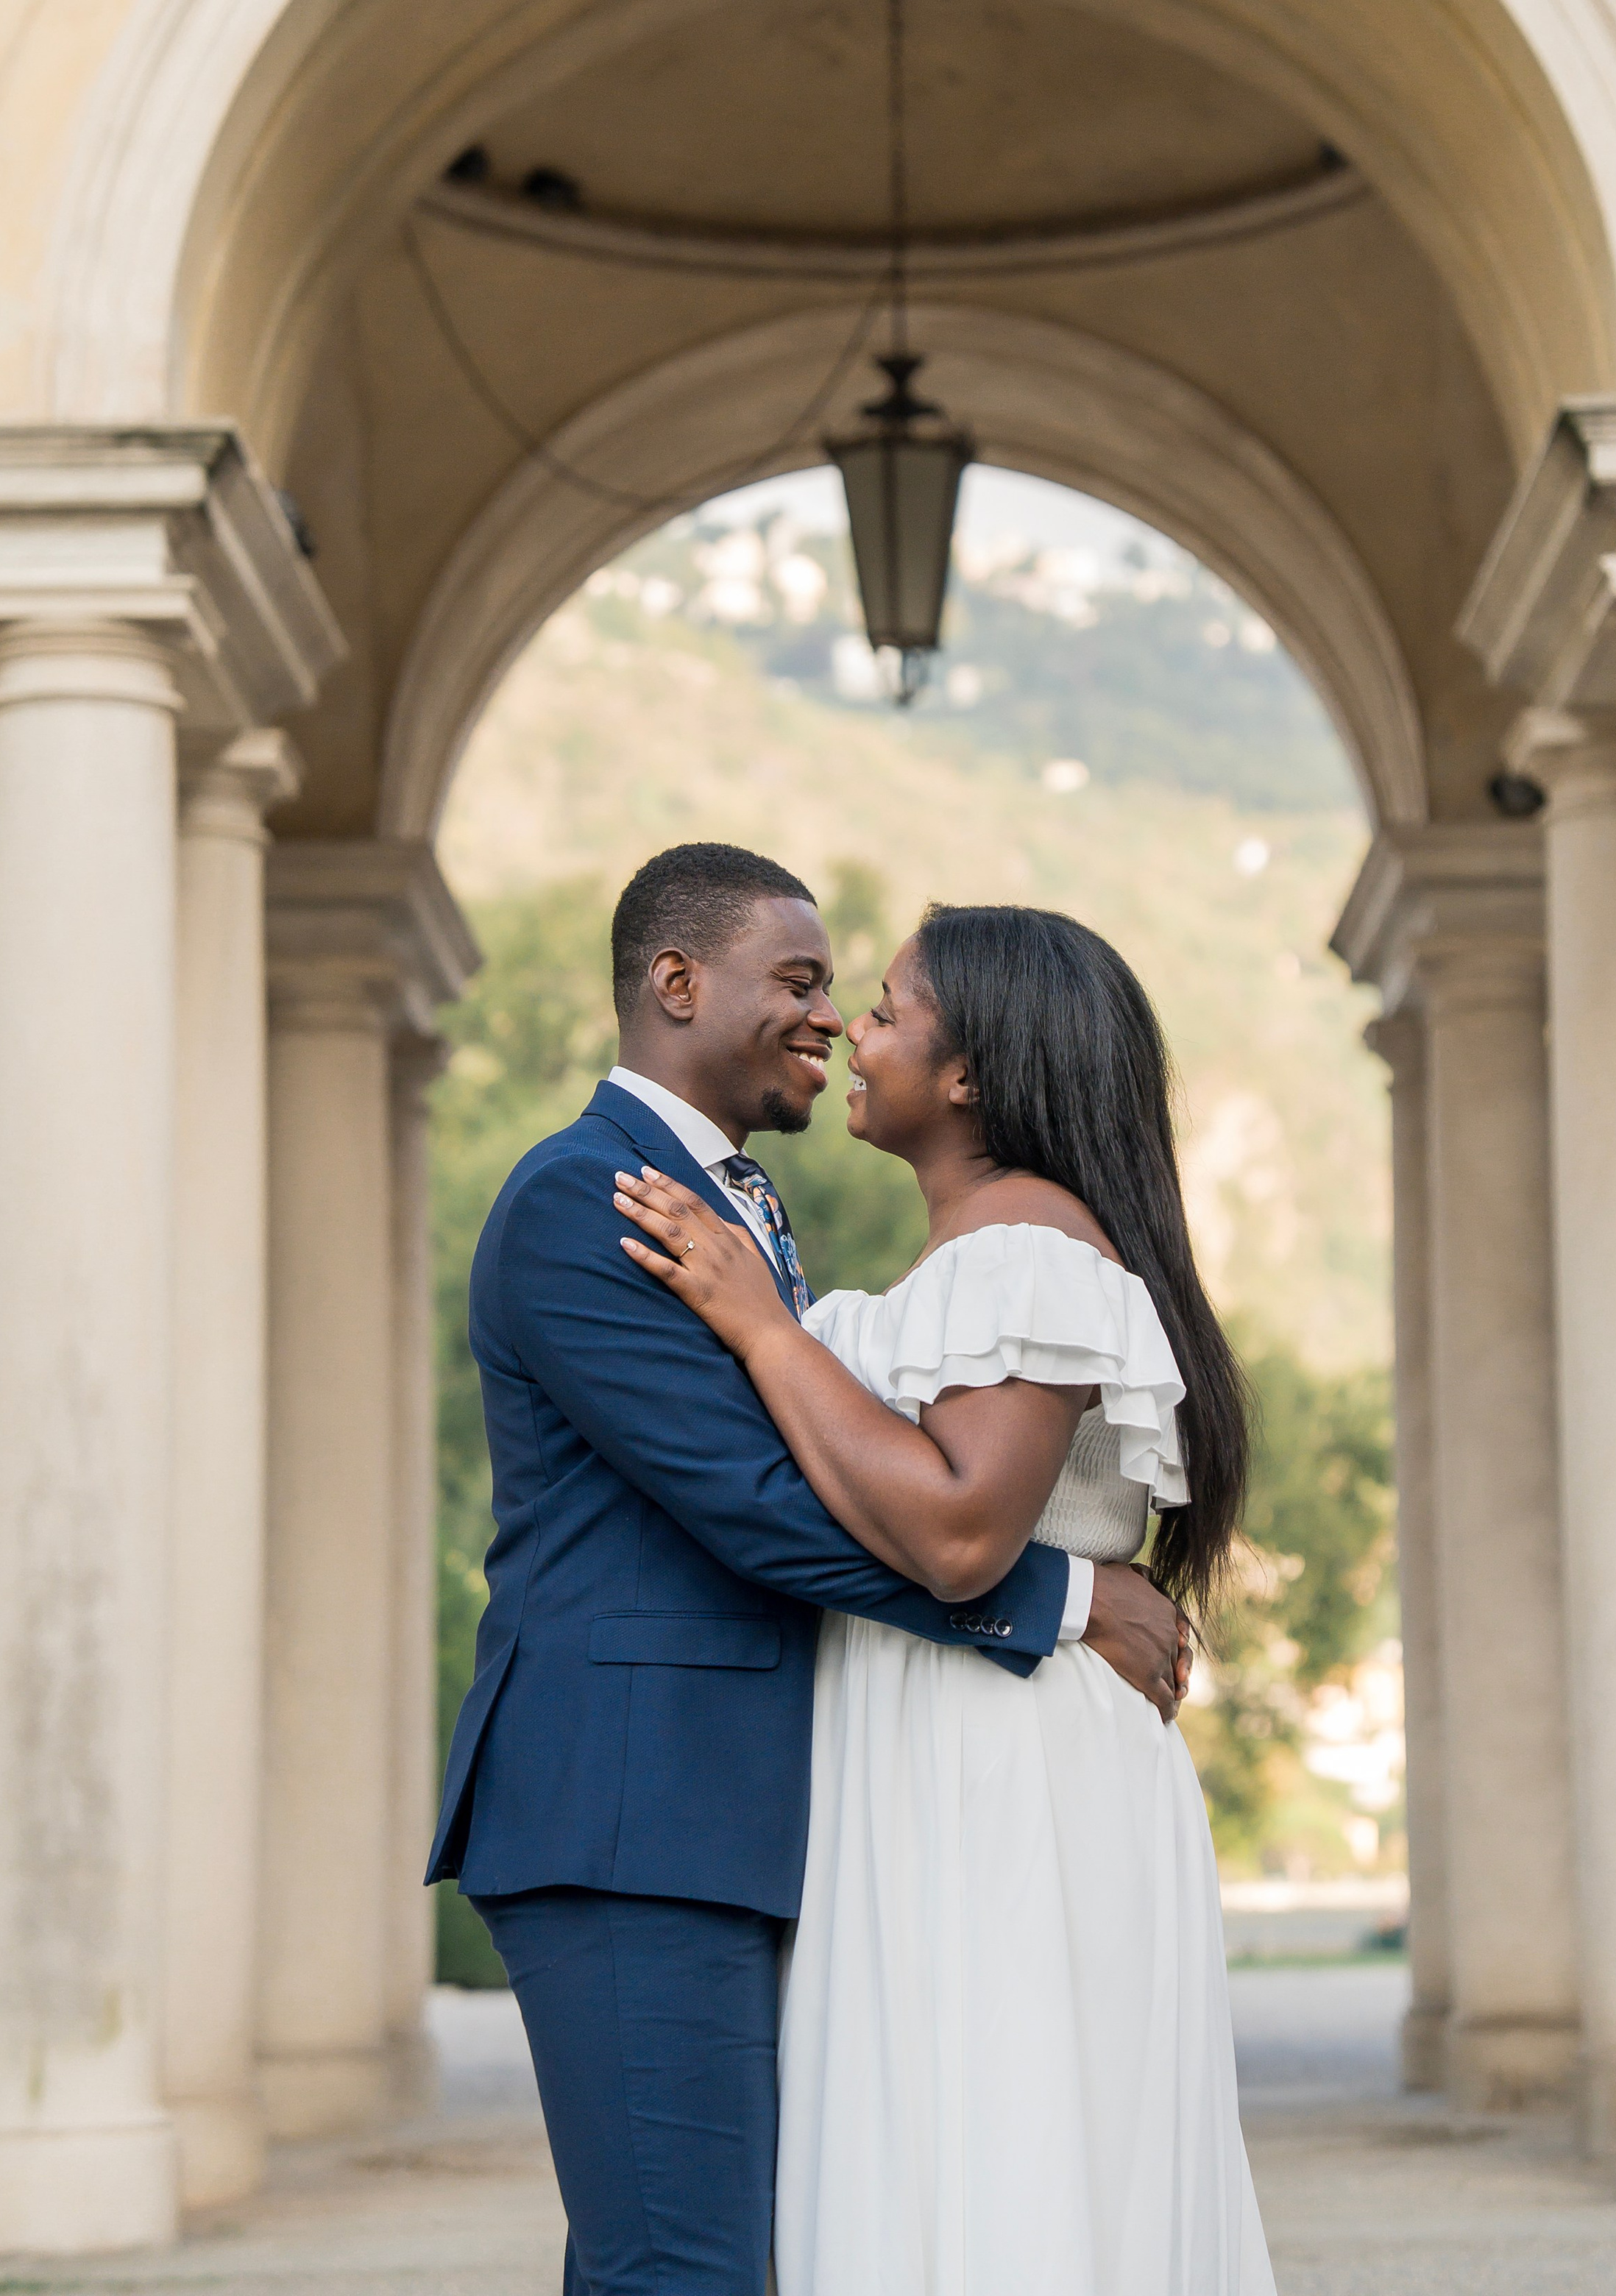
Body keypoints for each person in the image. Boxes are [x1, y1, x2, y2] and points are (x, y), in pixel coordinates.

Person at [427, 844, 1188, 2296]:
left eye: (849, 992)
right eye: (797, 982)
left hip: (747, 1812)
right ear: (674, 982)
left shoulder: (731, 1213)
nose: (829, 1019)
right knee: (681, 2268)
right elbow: (756, 1504)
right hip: (632, 1813)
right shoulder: (590, 1200)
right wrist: (1060, 1597)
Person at [616, 900, 1278, 2296]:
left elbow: (965, 1531)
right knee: (955, 2162)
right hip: (949, 1748)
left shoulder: (1029, 1248)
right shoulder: (975, 1254)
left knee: (1005, 2163)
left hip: (1006, 1773)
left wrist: (757, 1328)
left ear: (971, 1070)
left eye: (895, 1009)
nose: (859, 1027)